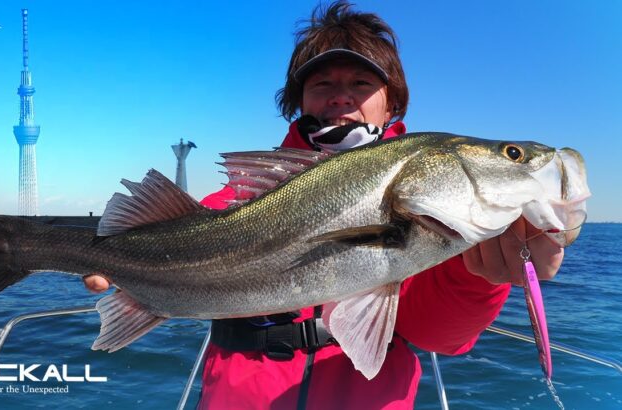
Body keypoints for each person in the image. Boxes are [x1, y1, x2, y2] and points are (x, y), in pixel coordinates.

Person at [84, 2, 564, 408]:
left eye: (361, 84)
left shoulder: (439, 207)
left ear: (391, 104)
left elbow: (438, 336)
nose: (341, 97)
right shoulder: (235, 199)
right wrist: (111, 263)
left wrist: (478, 276)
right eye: (322, 85)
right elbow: (181, 235)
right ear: (299, 102)